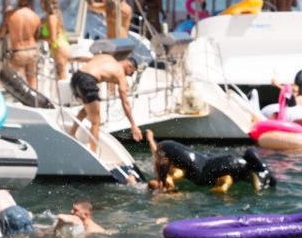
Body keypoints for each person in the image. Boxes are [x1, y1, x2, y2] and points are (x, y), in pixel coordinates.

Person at [146, 130, 276, 194]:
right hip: (230, 165)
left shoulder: (175, 169)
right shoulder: (177, 163)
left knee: (246, 165)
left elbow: (160, 158)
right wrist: (151, 139)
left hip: (230, 166)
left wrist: (169, 182)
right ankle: (263, 173)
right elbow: (158, 154)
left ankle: (263, 172)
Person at [69, 53, 143, 152]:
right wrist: (133, 125)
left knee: (87, 109)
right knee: (96, 121)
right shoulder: (120, 73)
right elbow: (125, 102)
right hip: (87, 81)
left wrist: (70, 59)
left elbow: (84, 58)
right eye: (131, 73)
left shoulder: (107, 57)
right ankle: (94, 152)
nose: (129, 76)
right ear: (129, 66)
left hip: (76, 77)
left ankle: (72, 133)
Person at [0, 0, 41, 89]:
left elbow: (1, 33)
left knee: (19, 83)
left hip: (18, 52)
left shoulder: (10, 15)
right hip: (32, 50)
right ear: (30, 3)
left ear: (18, 2)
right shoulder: (35, 16)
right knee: (32, 81)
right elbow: (37, 36)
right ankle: (33, 103)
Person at [39, 0, 71, 80]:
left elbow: (52, 39)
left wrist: (39, 38)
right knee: (61, 76)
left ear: (46, 4)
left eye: (41, 3)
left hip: (59, 47)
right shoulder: (49, 17)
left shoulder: (51, 18)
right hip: (60, 46)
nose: (40, 5)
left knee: (61, 76)